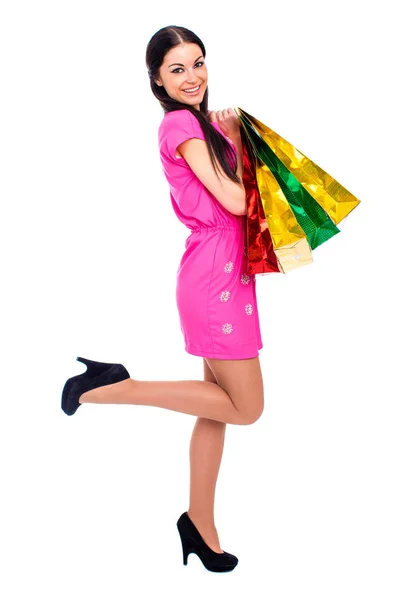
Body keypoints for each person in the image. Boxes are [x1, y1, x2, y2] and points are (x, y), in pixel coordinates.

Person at [61, 25, 264, 573]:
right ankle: (112, 387)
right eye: (178, 68)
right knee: (248, 408)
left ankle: (199, 523)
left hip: (221, 273)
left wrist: (232, 140)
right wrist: (240, 141)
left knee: (216, 407)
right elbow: (238, 201)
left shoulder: (199, 123)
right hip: (214, 278)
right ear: (156, 78)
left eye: (198, 63)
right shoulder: (181, 125)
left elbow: (233, 195)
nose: (193, 76)